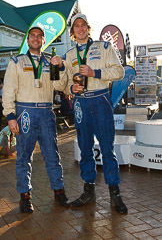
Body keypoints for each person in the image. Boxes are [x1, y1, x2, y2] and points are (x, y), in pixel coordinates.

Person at [55, 13, 128, 214]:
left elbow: (119, 72)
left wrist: (95, 73)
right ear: (72, 32)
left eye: (83, 25)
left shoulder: (103, 47)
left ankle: (115, 193)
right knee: (85, 149)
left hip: (100, 98)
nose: (80, 28)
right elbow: (63, 86)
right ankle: (89, 191)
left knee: (107, 148)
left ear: (88, 28)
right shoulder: (69, 56)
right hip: (80, 104)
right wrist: (71, 89)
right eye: (76, 26)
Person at [2, 25, 69, 213]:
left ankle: (59, 190)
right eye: (33, 35)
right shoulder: (17, 61)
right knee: (23, 157)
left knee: (52, 156)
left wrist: (61, 67)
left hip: (46, 112)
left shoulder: (50, 63)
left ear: (43, 40)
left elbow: (61, 86)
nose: (36, 38)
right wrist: (10, 116)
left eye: (40, 36)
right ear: (28, 38)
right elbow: (8, 90)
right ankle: (25, 196)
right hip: (25, 112)